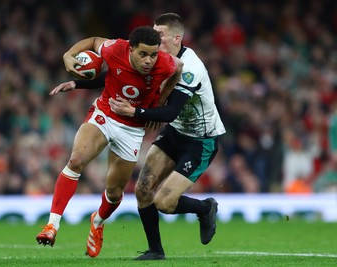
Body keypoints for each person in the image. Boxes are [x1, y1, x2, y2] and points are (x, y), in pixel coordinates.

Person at [53, 13, 226, 260]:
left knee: (164, 202)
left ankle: (204, 207)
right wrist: (77, 84)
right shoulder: (155, 59)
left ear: (177, 38)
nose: (155, 38)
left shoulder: (191, 68)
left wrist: (137, 111)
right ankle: (156, 251)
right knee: (143, 189)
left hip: (200, 141)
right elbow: (117, 75)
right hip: (175, 132)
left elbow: (171, 111)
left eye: (161, 34)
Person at [35, 26, 183, 259]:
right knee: (76, 160)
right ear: (131, 49)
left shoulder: (166, 63)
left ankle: (98, 220)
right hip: (105, 114)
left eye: (153, 55)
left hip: (132, 129)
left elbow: (179, 68)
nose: (149, 61)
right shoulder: (115, 48)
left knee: (114, 192)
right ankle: (52, 225)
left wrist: (161, 98)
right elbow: (93, 40)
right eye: (143, 54)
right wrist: (68, 55)